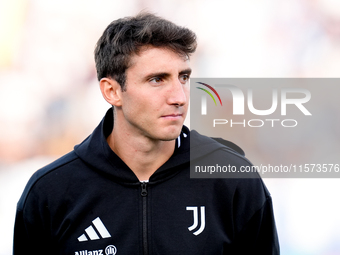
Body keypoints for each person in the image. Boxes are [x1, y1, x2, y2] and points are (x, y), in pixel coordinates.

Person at [13, 12, 279, 255]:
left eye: (183, 77)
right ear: (112, 91)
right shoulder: (50, 192)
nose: (179, 97)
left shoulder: (233, 180)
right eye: (157, 79)